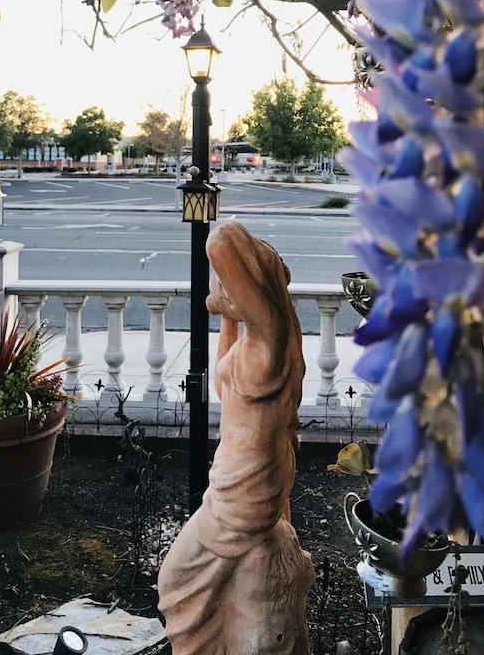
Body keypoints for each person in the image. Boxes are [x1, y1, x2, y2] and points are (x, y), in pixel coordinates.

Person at [158, 220, 315, 654]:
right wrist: (225, 310)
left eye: (227, 282)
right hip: (242, 489)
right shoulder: (260, 350)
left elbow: (221, 240)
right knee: (194, 591)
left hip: (240, 501)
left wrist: (231, 270)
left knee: (174, 580)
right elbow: (223, 381)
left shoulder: (269, 345)